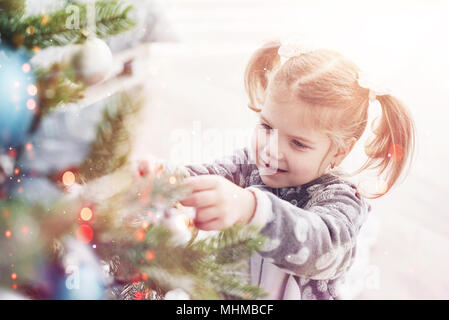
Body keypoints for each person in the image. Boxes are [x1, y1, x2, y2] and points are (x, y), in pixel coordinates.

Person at [179, 37, 416, 300]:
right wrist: (162, 181)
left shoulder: (341, 199)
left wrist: (252, 209)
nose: (271, 150)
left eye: (298, 143)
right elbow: (202, 176)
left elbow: (323, 251)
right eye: (267, 127)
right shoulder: (249, 165)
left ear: (340, 151)